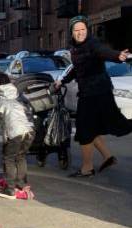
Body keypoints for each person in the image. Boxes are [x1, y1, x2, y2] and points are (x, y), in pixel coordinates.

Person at [56, 15, 132, 178]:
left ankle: (87, 167)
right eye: (76, 30)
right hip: (89, 93)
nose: (80, 32)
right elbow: (76, 69)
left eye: (83, 29)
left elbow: (103, 51)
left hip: (97, 92)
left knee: (85, 130)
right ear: (72, 32)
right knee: (91, 128)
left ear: (87, 30)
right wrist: (62, 80)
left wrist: (117, 56)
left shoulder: (92, 44)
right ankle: (108, 157)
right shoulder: (75, 48)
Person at [0, 73, 35, 199]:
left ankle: (10, 189)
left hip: (14, 132)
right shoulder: (18, 94)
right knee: (21, 157)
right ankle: (21, 184)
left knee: (9, 159)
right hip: (30, 129)